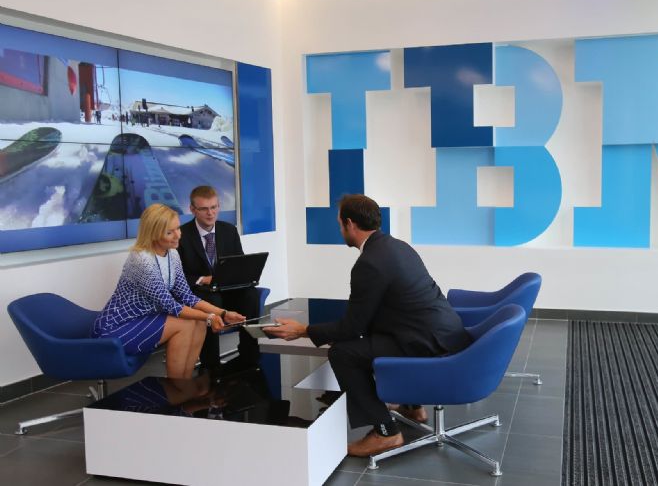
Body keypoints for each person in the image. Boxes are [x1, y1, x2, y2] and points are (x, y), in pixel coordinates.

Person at [265, 194, 472, 457]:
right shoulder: (397, 246)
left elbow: (352, 328)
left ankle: (386, 432)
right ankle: (413, 407)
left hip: (426, 342)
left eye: (339, 223)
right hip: (444, 333)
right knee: (371, 340)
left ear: (350, 224)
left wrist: (302, 330)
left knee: (343, 353)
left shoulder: (369, 263)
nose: (340, 229)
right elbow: (380, 314)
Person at [91, 203, 245, 379]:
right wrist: (210, 317)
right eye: (169, 232)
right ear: (153, 234)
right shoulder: (141, 260)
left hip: (147, 319)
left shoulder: (172, 254)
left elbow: (186, 295)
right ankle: (176, 388)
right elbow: (170, 304)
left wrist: (223, 313)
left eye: (178, 228)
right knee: (185, 324)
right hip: (117, 327)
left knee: (198, 322)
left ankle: (184, 384)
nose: (178, 235)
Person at [177, 185, 261, 373]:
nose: (210, 213)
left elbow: (239, 263)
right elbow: (177, 276)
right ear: (192, 210)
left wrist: (243, 276)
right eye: (204, 209)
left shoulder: (229, 230)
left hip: (228, 289)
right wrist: (201, 279)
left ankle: (249, 353)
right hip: (200, 293)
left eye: (214, 207)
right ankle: (210, 364)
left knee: (250, 295)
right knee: (212, 300)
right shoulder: (181, 235)